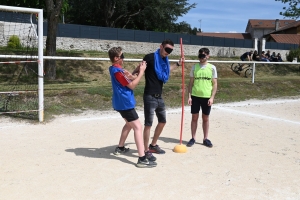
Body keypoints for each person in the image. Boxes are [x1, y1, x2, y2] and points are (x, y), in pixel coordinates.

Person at [108, 46, 157, 168]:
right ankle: (142, 158)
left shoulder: (115, 69)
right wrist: (141, 72)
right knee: (138, 127)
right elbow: (132, 85)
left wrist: (135, 72)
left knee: (129, 125)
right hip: (125, 104)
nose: (123, 58)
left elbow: (129, 79)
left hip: (120, 103)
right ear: (116, 58)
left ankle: (120, 148)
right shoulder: (117, 71)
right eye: (122, 56)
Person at [140, 39, 182, 159]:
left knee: (162, 121)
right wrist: (131, 77)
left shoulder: (164, 60)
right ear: (161, 47)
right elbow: (140, 69)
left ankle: (153, 145)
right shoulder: (150, 57)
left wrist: (178, 64)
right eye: (167, 49)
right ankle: (146, 150)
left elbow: (166, 70)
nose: (168, 52)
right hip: (149, 96)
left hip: (159, 96)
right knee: (148, 124)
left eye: (170, 51)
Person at [186, 47, 218, 148]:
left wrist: (212, 97)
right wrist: (189, 96)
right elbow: (190, 83)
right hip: (195, 96)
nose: (201, 57)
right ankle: (193, 138)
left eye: (203, 55)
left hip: (206, 97)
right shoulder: (194, 67)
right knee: (194, 117)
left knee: (205, 118)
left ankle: (205, 138)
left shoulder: (212, 68)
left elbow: (215, 84)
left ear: (208, 56)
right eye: (200, 55)